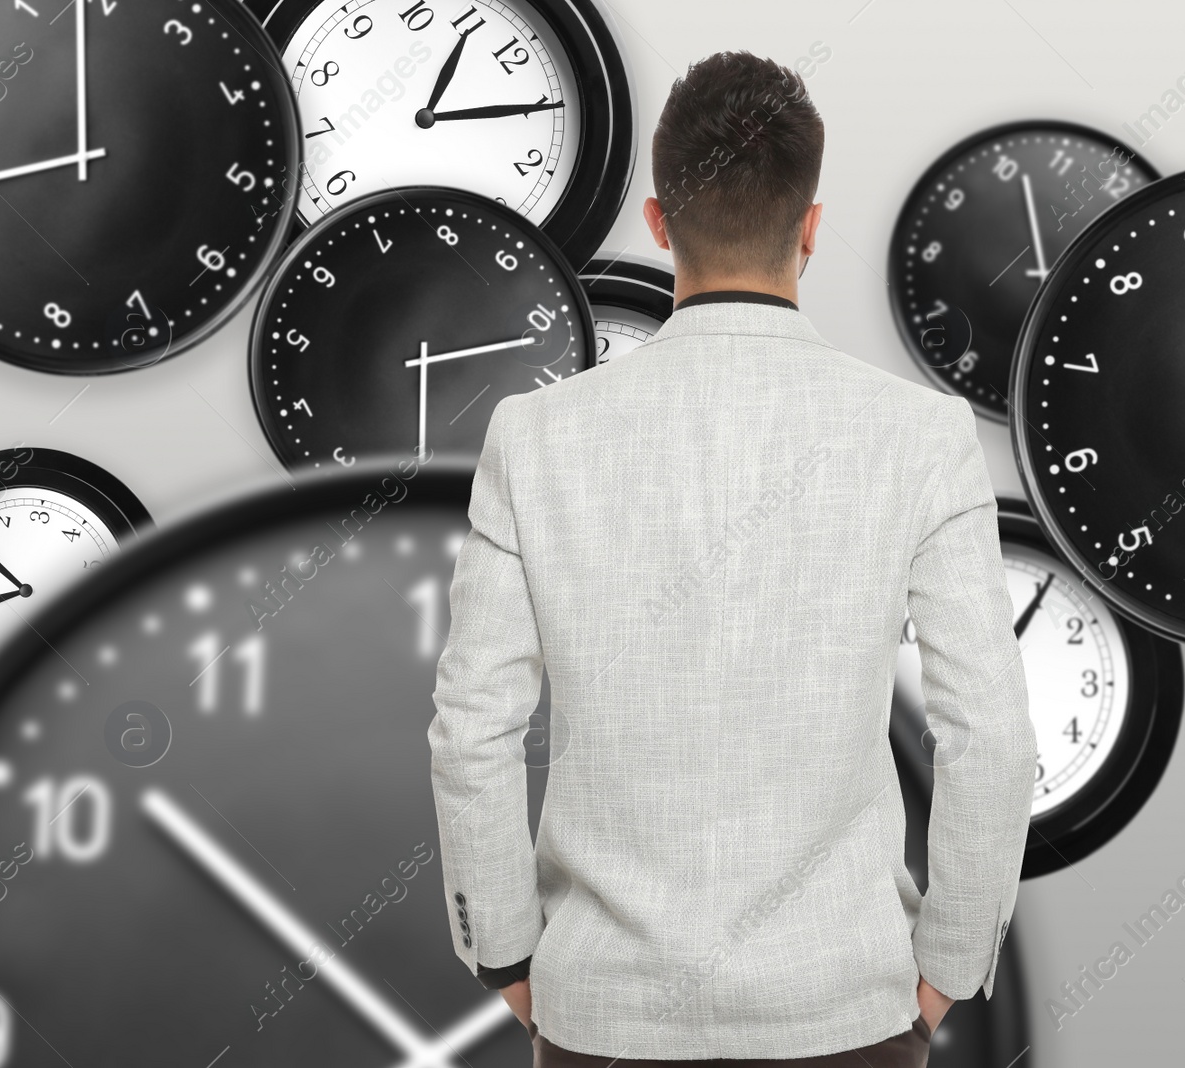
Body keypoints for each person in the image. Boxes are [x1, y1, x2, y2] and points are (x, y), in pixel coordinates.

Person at [427, 50, 1035, 1068]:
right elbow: (993, 737)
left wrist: (506, 959)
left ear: (659, 224)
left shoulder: (535, 437)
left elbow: (473, 732)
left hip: (604, 1014)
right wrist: (947, 969)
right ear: (808, 226)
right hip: (845, 1005)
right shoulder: (918, 434)